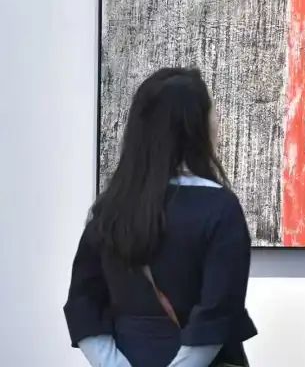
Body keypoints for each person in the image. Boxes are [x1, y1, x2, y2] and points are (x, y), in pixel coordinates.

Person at [64, 68, 256, 367]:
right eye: (211, 112)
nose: (216, 121)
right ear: (194, 127)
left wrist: (114, 364)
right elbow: (217, 313)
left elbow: (84, 302)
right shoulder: (220, 207)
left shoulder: (110, 208)